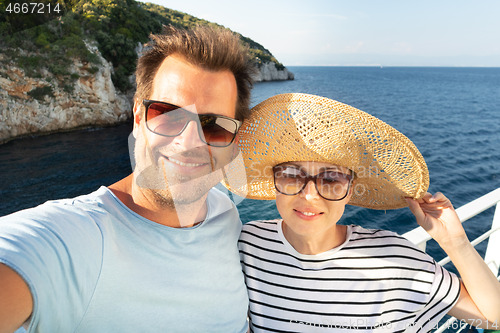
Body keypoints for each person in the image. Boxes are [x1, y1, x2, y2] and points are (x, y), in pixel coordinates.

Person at [0, 25, 255, 332]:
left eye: (214, 126)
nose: (189, 143)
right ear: (137, 118)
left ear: (233, 141)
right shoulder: (79, 239)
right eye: (168, 114)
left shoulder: (225, 211)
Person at [232, 93, 500, 332]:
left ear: (350, 190)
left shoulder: (395, 258)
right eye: (291, 175)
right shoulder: (247, 244)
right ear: (274, 182)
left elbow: (493, 320)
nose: (310, 195)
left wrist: (456, 243)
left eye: (331, 179)